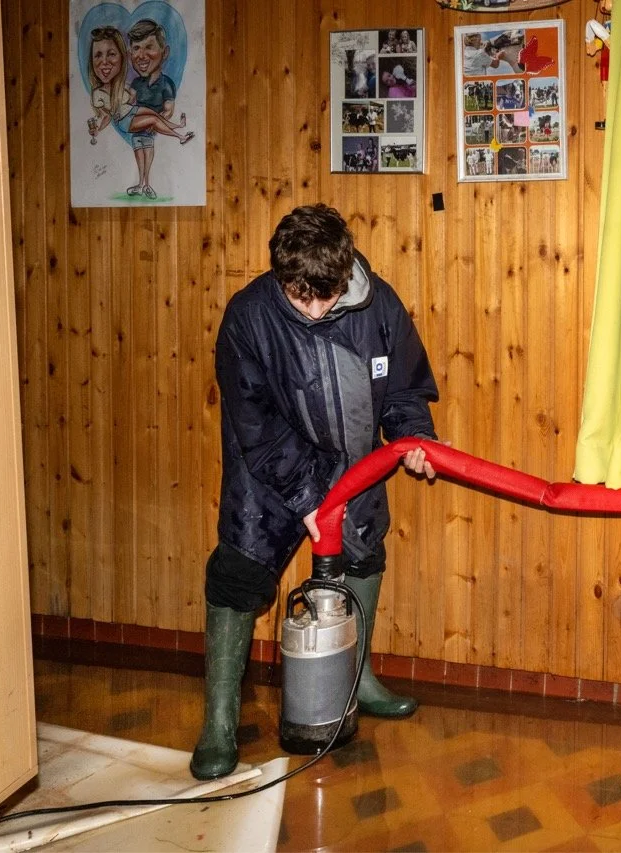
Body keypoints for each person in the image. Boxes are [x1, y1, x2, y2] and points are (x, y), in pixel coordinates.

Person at [190, 204, 442, 781]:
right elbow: (253, 423)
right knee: (238, 575)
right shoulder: (248, 318)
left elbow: (404, 389)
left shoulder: (380, 305)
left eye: (325, 296)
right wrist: (308, 497)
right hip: (269, 471)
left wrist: (414, 439)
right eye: (301, 298)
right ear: (281, 278)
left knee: (364, 554)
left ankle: (361, 680)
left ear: (345, 270)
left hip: (355, 464)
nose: (315, 309)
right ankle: (219, 723)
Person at [85, 26, 191, 151]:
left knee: (154, 115)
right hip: (124, 120)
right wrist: (98, 129)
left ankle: (179, 126)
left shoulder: (124, 85)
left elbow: (132, 100)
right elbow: (106, 116)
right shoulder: (98, 94)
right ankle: (180, 137)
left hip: (131, 111)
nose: (104, 62)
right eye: (97, 55)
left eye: (111, 54)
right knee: (153, 119)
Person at [125, 19, 191, 199]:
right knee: (139, 154)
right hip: (138, 128)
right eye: (136, 49)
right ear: (130, 54)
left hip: (150, 130)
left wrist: (157, 122)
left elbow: (168, 108)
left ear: (165, 52)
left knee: (148, 153)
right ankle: (140, 183)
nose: (141, 55)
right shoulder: (137, 83)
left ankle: (147, 184)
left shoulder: (166, 83)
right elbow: (128, 102)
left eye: (149, 47)